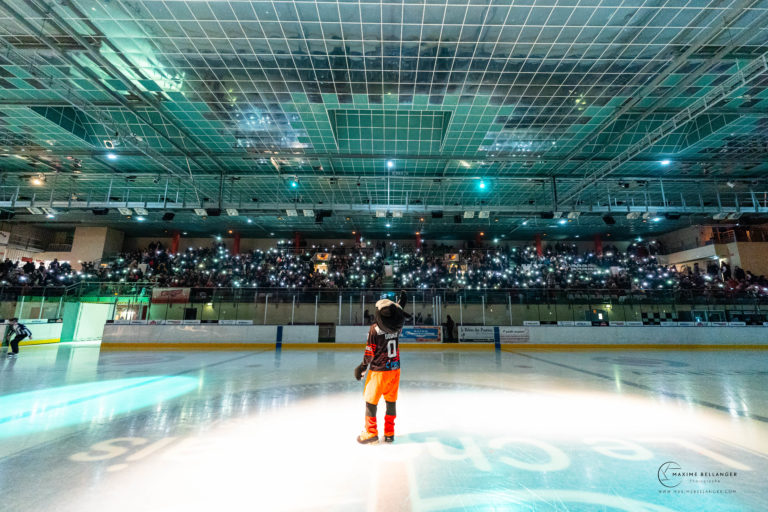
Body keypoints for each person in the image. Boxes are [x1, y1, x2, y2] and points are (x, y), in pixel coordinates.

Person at [354, 291, 409, 444]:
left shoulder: (374, 329)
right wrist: (400, 305)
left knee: (371, 402)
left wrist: (363, 367)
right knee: (391, 401)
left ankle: (371, 433)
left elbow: (370, 352)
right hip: (395, 370)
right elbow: (398, 316)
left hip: (379, 371)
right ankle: (390, 433)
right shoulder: (397, 327)